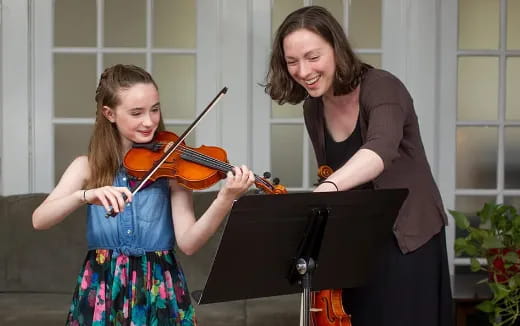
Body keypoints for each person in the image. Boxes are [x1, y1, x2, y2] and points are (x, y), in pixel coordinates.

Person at [265, 6, 453, 326]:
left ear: (337, 49)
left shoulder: (382, 87)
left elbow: (380, 151)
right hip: (360, 241)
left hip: (407, 237)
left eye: (313, 57)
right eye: (292, 61)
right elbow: (330, 171)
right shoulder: (313, 107)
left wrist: (324, 190)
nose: (302, 70)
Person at [32, 64, 255, 326]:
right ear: (109, 113)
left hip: (160, 285)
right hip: (103, 285)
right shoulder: (87, 166)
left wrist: (225, 199)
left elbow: (189, 243)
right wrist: (84, 195)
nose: (149, 121)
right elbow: (39, 219)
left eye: (155, 109)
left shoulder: (171, 166)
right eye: (136, 113)